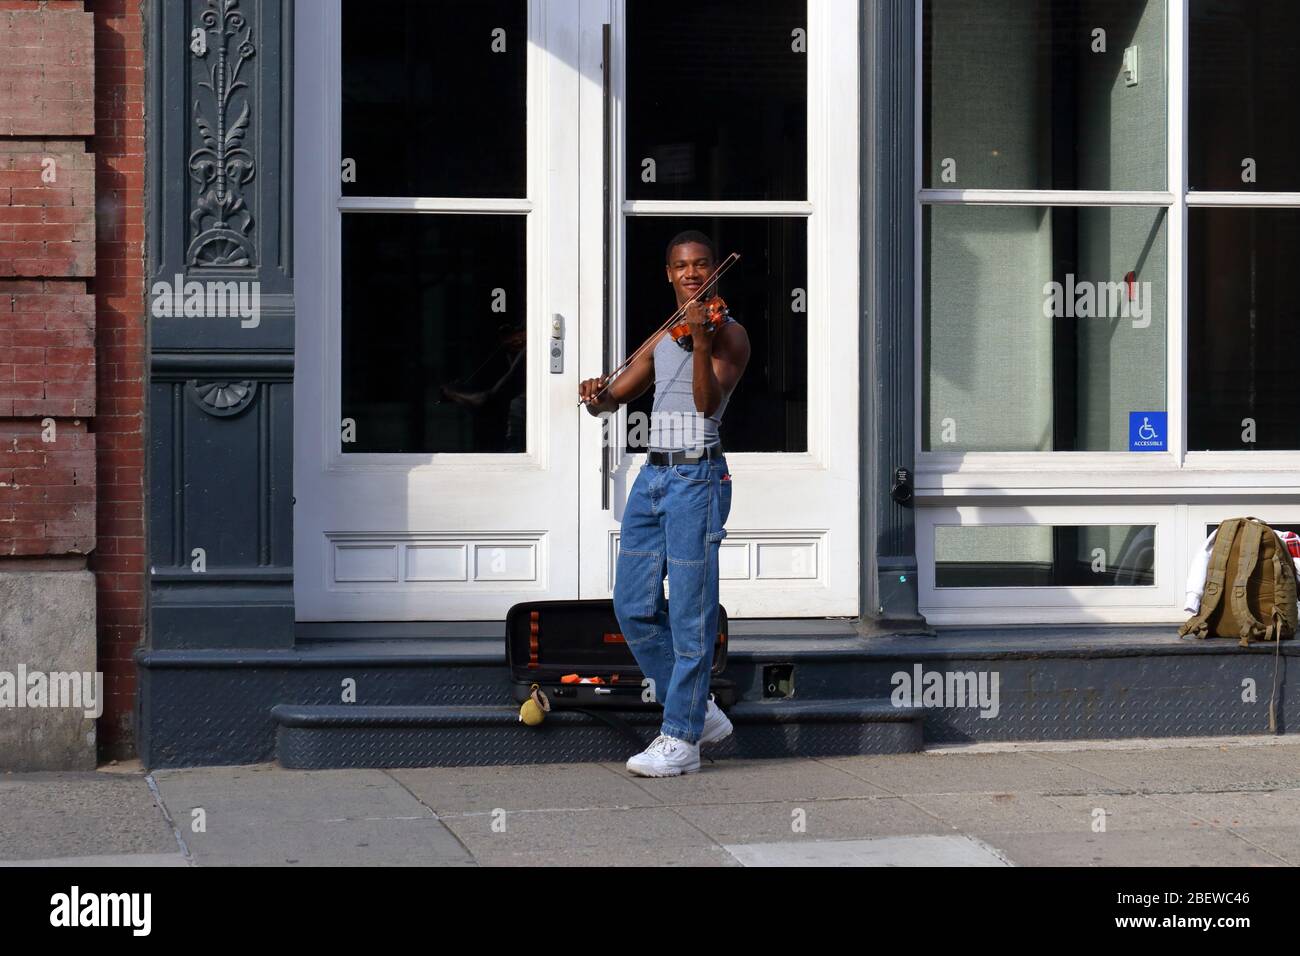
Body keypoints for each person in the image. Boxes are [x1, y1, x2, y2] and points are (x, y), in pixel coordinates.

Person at [578, 231, 751, 776]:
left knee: (692, 612)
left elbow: (706, 405)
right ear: (669, 274)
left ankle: (682, 739)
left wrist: (701, 343)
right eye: (682, 266)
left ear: (714, 272)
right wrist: (595, 395)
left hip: (697, 476)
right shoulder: (661, 338)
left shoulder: (730, 336)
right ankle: (698, 709)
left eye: (702, 264)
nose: (693, 273)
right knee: (631, 604)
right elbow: (616, 397)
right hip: (653, 476)